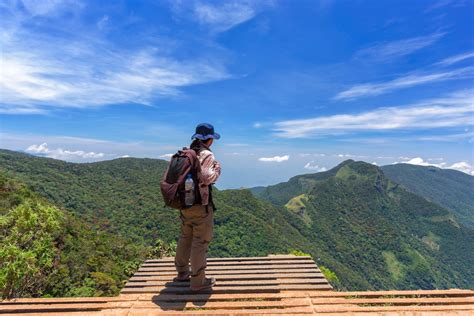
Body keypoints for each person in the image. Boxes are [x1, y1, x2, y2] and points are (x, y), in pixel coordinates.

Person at [173, 123, 221, 291]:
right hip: (200, 205)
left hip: (184, 204)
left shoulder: (188, 152)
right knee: (200, 242)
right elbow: (208, 179)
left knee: (185, 237)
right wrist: (217, 170)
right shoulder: (206, 154)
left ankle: (182, 273)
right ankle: (198, 282)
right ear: (210, 140)